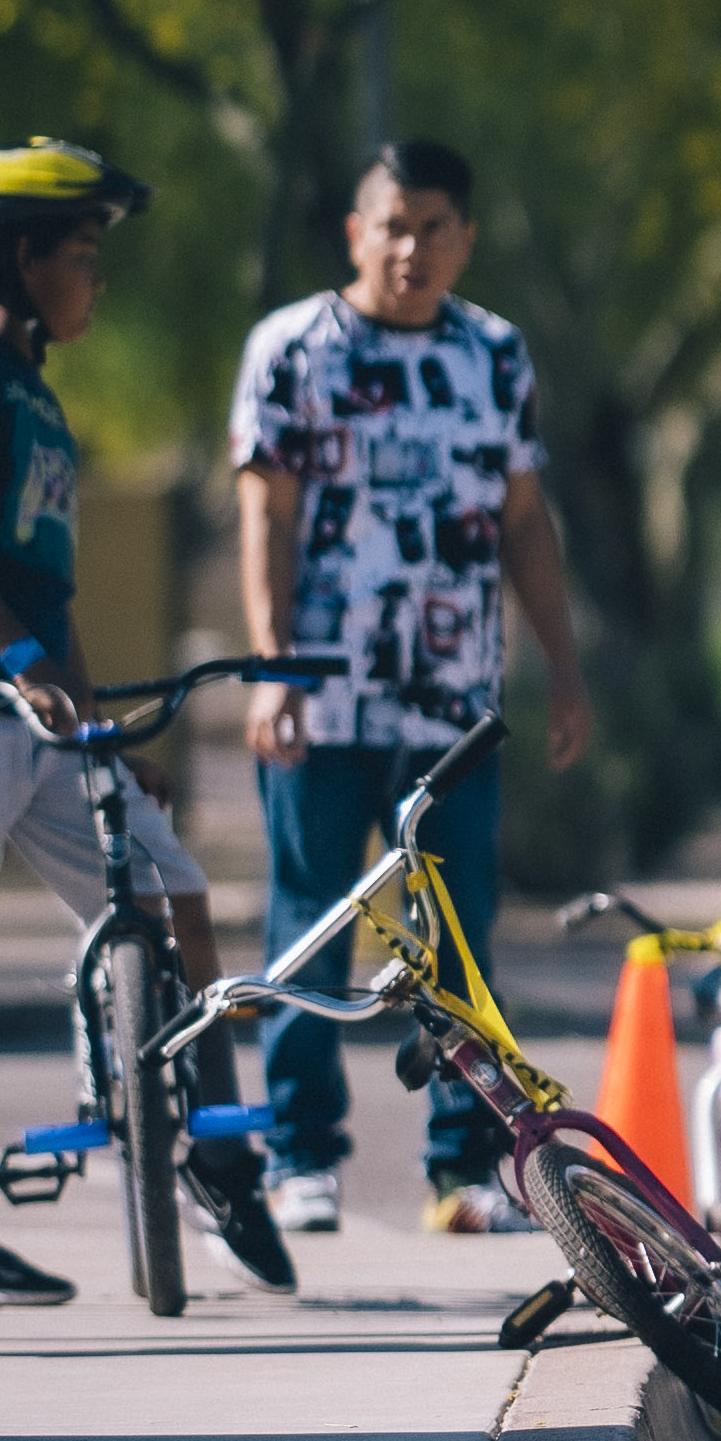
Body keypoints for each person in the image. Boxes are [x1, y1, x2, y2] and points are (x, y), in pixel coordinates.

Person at [0, 142, 270, 1308]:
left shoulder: (35, 393)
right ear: (17, 256)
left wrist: (93, 724)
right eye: (82, 254)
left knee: (172, 890)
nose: (96, 279)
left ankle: (219, 1150)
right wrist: (26, 668)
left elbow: (48, 590)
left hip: (42, 721)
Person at [229, 140, 594, 1231]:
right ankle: (300, 1157)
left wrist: (563, 671)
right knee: (311, 918)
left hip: (451, 705)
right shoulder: (293, 348)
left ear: (464, 238)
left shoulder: (494, 353)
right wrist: (271, 668)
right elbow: (268, 513)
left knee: (456, 932)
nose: (412, 248)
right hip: (322, 696)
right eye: (392, 225)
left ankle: (466, 1165)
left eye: (435, 226)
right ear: (356, 232)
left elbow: (524, 521)